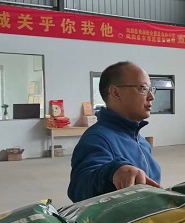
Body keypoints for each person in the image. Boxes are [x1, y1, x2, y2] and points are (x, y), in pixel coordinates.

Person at [68, 61, 161, 202]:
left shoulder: (140, 140)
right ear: (116, 93)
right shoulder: (97, 139)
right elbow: (79, 188)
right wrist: (112, 172)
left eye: (151, 89)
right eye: (143, 88)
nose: (151, 97)